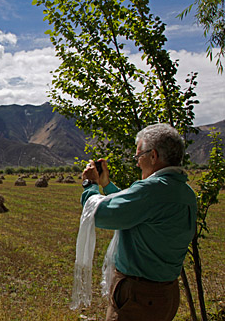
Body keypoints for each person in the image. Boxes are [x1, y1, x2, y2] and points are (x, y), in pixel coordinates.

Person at [81, 123, 197, 321]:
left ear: (153, 156)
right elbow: (137, 211)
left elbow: (100, 215)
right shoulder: (185, 191)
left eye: (138, 157)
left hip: (138, 297)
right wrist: (107, 185)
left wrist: (90, 185)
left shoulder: (153, 190)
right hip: (166, 294)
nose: (137, 163)